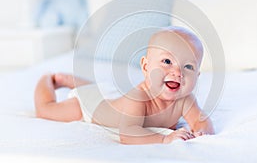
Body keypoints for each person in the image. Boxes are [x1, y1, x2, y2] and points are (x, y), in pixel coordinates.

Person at [34, 26, 214, 145]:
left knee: (103, 90)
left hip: (111, 95)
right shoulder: (138, 97)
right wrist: (164, 139)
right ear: (145, 67)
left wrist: (201, 134)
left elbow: (200, 120)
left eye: (188, 66)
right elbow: (128, 133)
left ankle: (71, 80)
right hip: (93, 107)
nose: (177, 72)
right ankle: (49, 78)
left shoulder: (185, 98)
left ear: (197, 75)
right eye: (167, 61)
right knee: (47, 110)